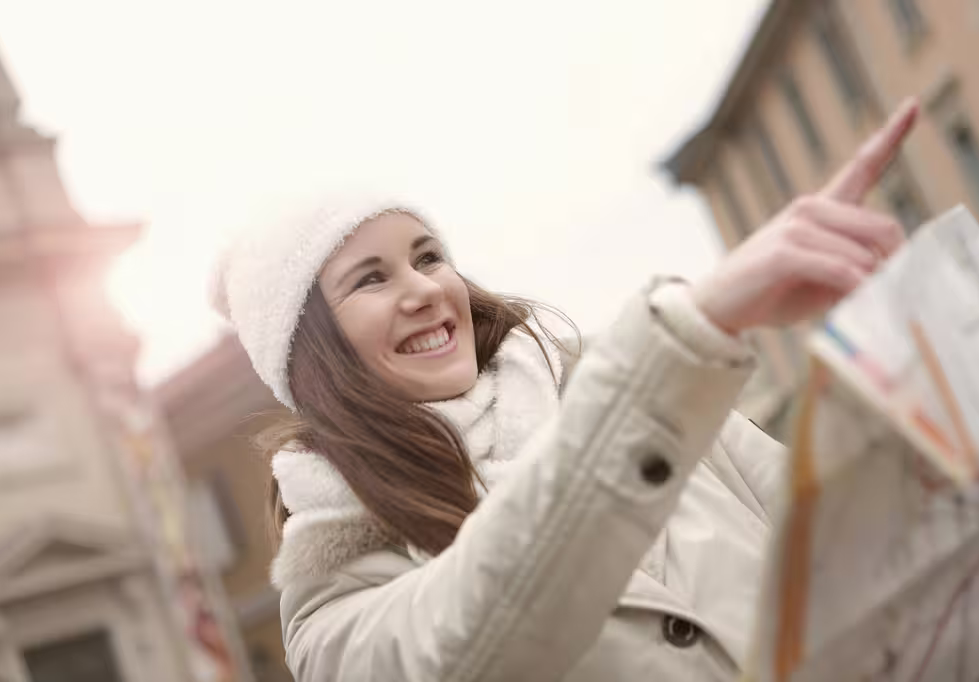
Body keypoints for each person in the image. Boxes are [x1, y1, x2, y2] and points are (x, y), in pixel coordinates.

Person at [209, 99, 920, 682]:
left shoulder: (610, 388)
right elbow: (480, 631)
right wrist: (691, 332)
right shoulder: (332, 598)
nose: (425, 289)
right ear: (313, 355)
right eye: (371, 278)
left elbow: (852, 540)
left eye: (429, 257)